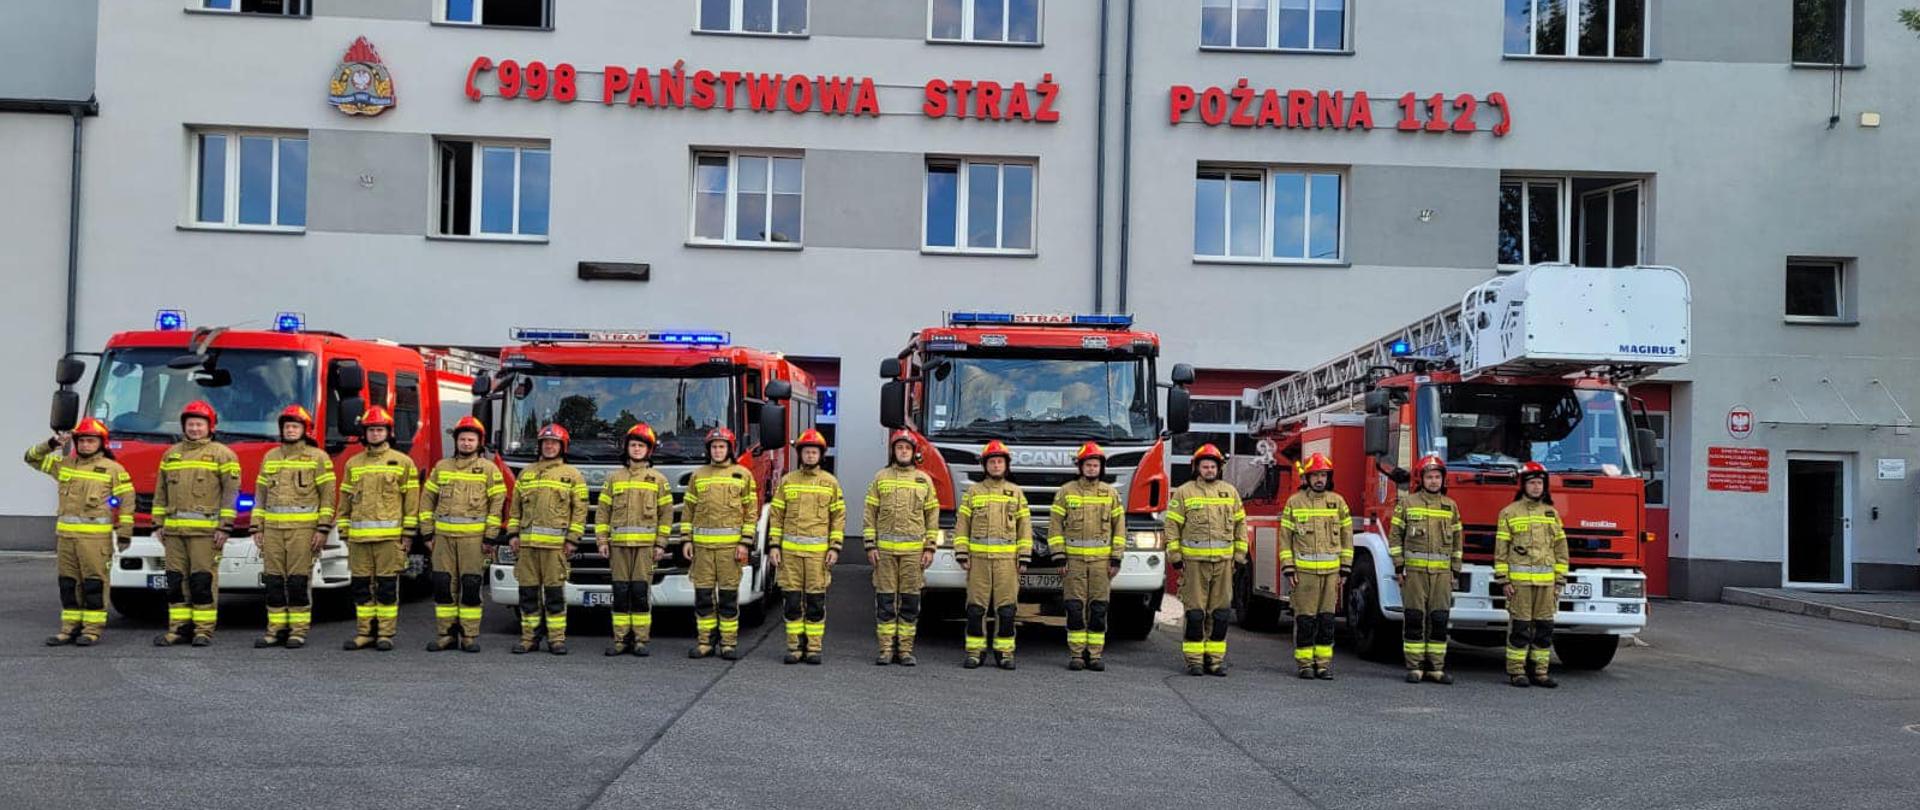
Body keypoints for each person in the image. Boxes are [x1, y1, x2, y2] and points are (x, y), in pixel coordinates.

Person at [26, 418, 133, 646]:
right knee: (68, 583)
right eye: (82, 440)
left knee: (94, 583)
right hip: (66, 539)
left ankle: (92, 629)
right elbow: (31, 458)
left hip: (95, 541)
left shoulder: (113, 469)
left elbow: (127, 501)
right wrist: (53, 442)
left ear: (101, 443)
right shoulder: (65, 464)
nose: (85, 445)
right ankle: (69, 628)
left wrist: (124, 533)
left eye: (90, 441)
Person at [151, 401, 241, 647]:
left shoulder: (223, 455)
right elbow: (161, 492)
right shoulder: (171, 454)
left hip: (206, 533)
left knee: (202, 581)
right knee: (175, 582)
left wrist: (225, 527)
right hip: (174, 532)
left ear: (210, 427)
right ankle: (178, 629)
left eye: (199, 424)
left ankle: (203, 630)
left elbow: (230, 494)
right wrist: (158, 524)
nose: (194, 428)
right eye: (190, 424)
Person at [251, 405, 335, 649]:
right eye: (287, 426)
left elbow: (328, 497)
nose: (290, 430)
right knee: (274, 581)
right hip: (273, 531)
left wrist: (322, 529)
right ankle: (275, 630)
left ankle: (298, 631)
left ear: (305, 430)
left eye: (295, 426)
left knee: (298, 582)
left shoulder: (318, 458)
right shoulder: (271, 457)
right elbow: (261, 495)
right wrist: (257, 527)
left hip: (304, 531)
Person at [335, 406, 419, 652]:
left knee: (386, 587)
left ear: (388, 432)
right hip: (359, 540)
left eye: (379, 429)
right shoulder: (353, 463)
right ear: (364, 433)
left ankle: (385, 633)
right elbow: (345, 500)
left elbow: (411, 502)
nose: (375, 434)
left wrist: (408, 535)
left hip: (389, 540)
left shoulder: (403, 463)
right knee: (361, 587)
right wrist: (344, 531)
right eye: (371, 430)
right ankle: (364, 632)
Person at [419, 416, 505, 653]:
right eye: (462, 439)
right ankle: (445, 634)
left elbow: (498, 504)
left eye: (471, 439)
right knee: (443, 586)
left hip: (474, 541)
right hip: (443, 539)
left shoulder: (489, 470)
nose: (466, 443)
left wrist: (490, 537)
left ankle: (468, 635)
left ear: (479, 443)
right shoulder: (441, 467)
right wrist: (427, 534)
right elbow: (427, 501)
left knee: (470, 586)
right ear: (456, 441)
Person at [1165, 443, 1247, 677]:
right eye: (1205, 466)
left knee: (1220, 614)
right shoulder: (1184, 492)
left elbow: (1241, 525)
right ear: (1197, 468)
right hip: (1194, 565)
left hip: (1223, 564)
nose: (1209, 470)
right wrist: (1176, 556)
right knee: (1195, 614)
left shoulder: (1230, 492)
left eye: (1213, 466)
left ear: (1219, 468)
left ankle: (1215, 661)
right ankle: (1194, 661)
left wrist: (1240, 556)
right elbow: (1171, 526)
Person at [506, 423, 587, 655]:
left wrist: (572, 539)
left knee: (554, 595)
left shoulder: (572, 475)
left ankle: (556, 639)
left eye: (554, 443)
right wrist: (513, 535)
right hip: (528, 548)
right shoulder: (526, 473)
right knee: (528, 595)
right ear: (540, 445)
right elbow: (515, 511)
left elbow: (579, 511)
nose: (550, 446)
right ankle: (529, 638)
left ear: (562, 447)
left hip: (555, 549)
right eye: (546, 442)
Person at [767, 429, 846, 665]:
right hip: (789, 555)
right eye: (806, 451)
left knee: (815, 603)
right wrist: (773, 546)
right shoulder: (787, 481)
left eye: (814, 452)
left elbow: (838, 518)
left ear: (820, 455)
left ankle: (813, 648)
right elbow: (776, 516)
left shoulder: (830, 483)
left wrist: (835, 547)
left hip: (817, 557)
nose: (810, 456)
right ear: (800, 454)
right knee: (791, 601)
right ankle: (794, 647)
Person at [680, 427, 758, 660]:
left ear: (730, 449)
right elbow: (688, 511)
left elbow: (750, 513)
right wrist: (686, 540)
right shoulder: (699, 475)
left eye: (722, 446)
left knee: (727, 597)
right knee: (703, 596)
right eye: (714, 447)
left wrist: (745, 543)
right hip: (702, 550)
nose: (717, 450)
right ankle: (705, 642)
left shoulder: (742, 475)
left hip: (730, 550)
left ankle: (728, 644)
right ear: (708, 450)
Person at [595, 423, 673, 657]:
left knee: (640, 593)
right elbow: (602, 512)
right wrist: (601, 540)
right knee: (620, 593)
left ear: (649, 451)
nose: (636, 449)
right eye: (633, 445)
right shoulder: (614, 478)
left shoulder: (658, 480)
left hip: (645, 548)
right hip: (618, 547)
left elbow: (666, 514)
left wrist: (660, 543)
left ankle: (640, 640)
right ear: (626, 448)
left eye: (641, 446)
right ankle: (620, 640)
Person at [862, 430, 938, 666]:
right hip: (884, 553)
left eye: (907, 448)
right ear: (893, 451)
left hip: (914, 555)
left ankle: (904, 651)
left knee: (909, 602)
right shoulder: (881, 478)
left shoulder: (924, 480)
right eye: (899, 448)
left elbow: (932, 516)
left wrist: (930, 548)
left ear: (914, 452)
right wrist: (869, 545)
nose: (903, 451)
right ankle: (885, 649)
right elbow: (869, 514)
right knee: (885, 602)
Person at [954, 440, 1031, 670]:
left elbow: (1024, 527)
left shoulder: (1016, 493)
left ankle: (1005, 653)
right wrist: (961, 553)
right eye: (992, 461)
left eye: (1000, 461)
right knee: (976, 608)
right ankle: (974, 652)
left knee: (1006, 609)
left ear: (1006, 466)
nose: (996, 465)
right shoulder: (973, 492)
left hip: (1007, 562)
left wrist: (1024, 556)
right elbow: (962, 525)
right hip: (978, 561)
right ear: (985, 465)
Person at [1049, 442, 1125, 671]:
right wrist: (1059, 557)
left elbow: (1119, 528)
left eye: (1095, 465)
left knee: (1099, 609)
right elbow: (1055, 527)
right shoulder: (1066, 492)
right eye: (1088, 464)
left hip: (1102, 564)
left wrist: (1116, 559)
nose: (1092, 468)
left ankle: (1095, 655)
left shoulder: (1110, 493)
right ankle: (1076, 655)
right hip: (1073, 562)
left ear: (1101, 468)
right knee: (1074, 607)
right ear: (1080, 467)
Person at [1388, 454, 1463, 684]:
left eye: (1437, 477)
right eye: (1429, 477)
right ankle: (1415, 666)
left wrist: (1455, 570)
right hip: (1414, 574)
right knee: (1414, 618)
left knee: (1439, 619)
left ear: (1443, 479)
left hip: (1442, 575)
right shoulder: (1407, 504)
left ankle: (1436, 668)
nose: (1433, 481)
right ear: (1421, 479)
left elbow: (1458, 540)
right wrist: (1399, 567)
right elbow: (1395, 537)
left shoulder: (1450, 506)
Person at [1495, 461, 1569, 688]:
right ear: (1523, 485)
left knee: (1545, 629)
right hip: (1520, 585)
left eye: (1540, 483)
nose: (1537, 487)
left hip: (1546, 585)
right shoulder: (1509, 513)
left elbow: (1560, 549)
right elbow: (1501, 550)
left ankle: (1541, 672)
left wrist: (1560, 581)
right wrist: (1504, 580)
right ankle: (1517, 672)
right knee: (1520, 628)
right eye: (1532, 483)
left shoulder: (1551, 513)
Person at [1281, 452, 1353, 680]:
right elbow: (1285, 538)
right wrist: (1289, 567)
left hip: (1331, 574)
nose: (1320, 479)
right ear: (1308, 478)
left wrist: (1345, 568)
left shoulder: (1338, 502)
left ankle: (1323, 665)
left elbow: (1347, 537)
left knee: (1327, 621)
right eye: (1315, 475)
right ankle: (1305, 664)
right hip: (1304, 574)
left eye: (1323, 475)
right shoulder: (1295, 502)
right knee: (1305, 619)